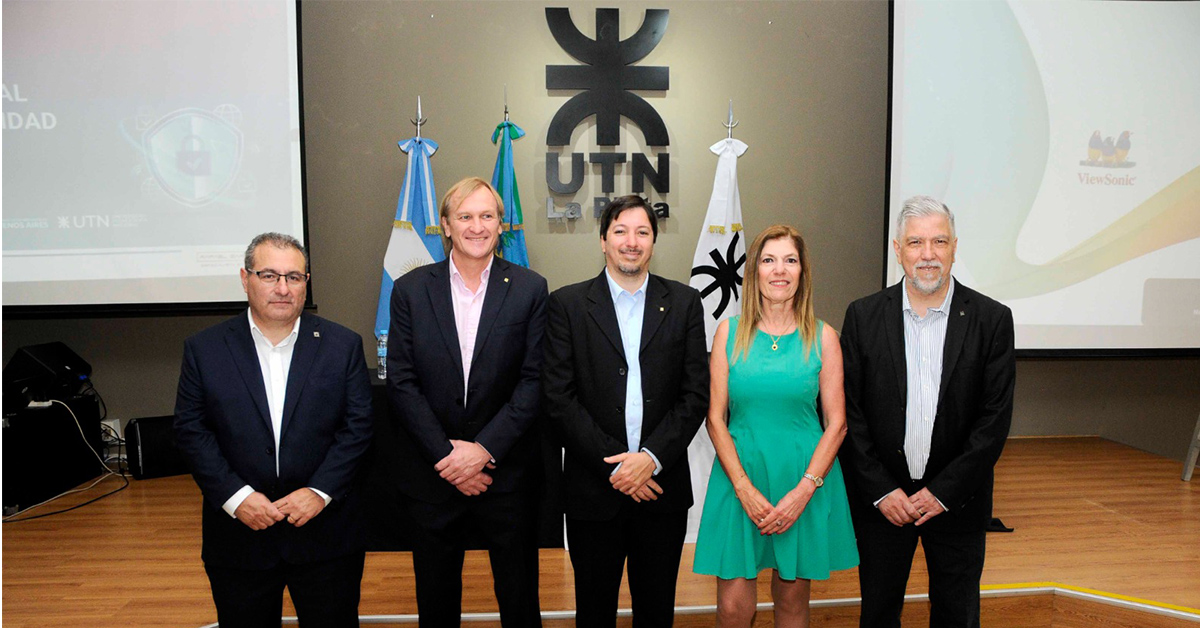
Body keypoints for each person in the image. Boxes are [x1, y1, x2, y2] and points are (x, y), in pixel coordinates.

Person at [174, 232, 374, 628]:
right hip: (239, 535)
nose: (283, 288)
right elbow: (192, 430)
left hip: (325, 534)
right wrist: (237, 497)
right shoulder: (205, 349)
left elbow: (359, 428)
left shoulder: (342, 344)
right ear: (245, 278)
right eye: (269, 275)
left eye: (294, 277)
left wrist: (319, 493)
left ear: (306, 282)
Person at [840, 196, 1016, 628]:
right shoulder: (862, 316)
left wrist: (942, 493)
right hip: (884, 506)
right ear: (897, 250)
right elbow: (849, 413)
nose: (928, 254)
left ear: (955, 247)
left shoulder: (992, 319)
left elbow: (993, 421)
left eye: (939, 241)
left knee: (957, 616)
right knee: (878, 615)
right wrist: (881, 491)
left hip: (959, 503)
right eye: (916, 243)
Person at [386, 177, 547, 628]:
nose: (477, 226)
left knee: (519, 600)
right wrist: (447, 456)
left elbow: (534, 382)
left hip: (506, 472)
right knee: (435, 601)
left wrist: (482, 451)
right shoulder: (411, 290)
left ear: (501, 225)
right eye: (466, 216)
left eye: (487, 216)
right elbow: (401, 382)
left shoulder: (531, 289)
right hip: (433, 475)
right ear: (445, 226)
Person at [542, 195, 709, 628]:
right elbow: (559, 399)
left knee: (656, 613)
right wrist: (619, 468)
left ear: (653, 241)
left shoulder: (686, 303)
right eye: (620, 231)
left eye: (642, 232)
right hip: (593, 493)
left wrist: (650, 460)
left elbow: (695, 397)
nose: (631, 242)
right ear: (602, 240)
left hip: (661, 490)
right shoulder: (567, 305)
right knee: (593, 613)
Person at [693, 225, 859, 627]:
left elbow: (836, 424)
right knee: (733, 609)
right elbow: (715, 418)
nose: (779, 270)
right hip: (739, 479)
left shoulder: (824, 337)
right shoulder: (728, 333)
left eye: (790, 260)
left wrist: (804, 490)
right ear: (754, 272)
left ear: (802, 272)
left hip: (802, 479)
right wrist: (744, 489)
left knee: (791, 603)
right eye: (768, 260)